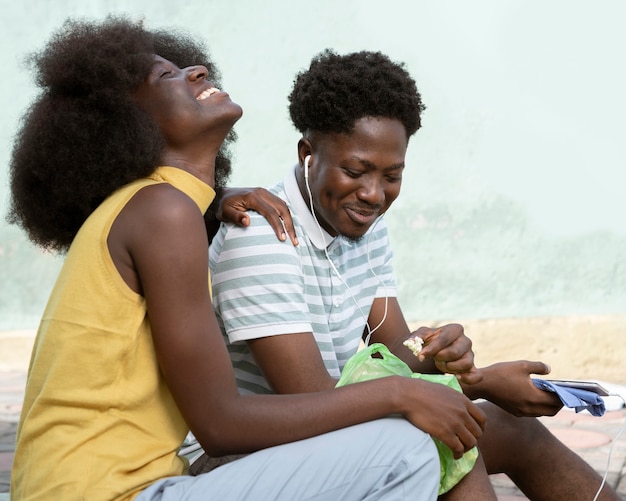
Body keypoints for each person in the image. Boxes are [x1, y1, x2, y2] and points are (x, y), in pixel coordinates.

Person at [6, 16, 495, 501]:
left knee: (406, 442)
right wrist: (401, 392)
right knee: (403, 447)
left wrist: (215, 200)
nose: (194, 71)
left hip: (119, 485)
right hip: (105, 494)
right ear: (128, 124)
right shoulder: (164, 213)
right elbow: (221, 423)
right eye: (166, 76)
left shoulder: (166, 209)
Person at [208, 50, 621, 500]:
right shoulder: (262, 237)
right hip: (251, 458)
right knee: (447, 445)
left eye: (392, 175)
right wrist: (474, 384)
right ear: (309, 154)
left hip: (333, 429)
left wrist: (446, 355)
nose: (373, 194)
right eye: (355, 170)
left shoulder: (362, 224)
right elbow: (311, 400)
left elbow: (394, 351)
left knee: (506, 431)